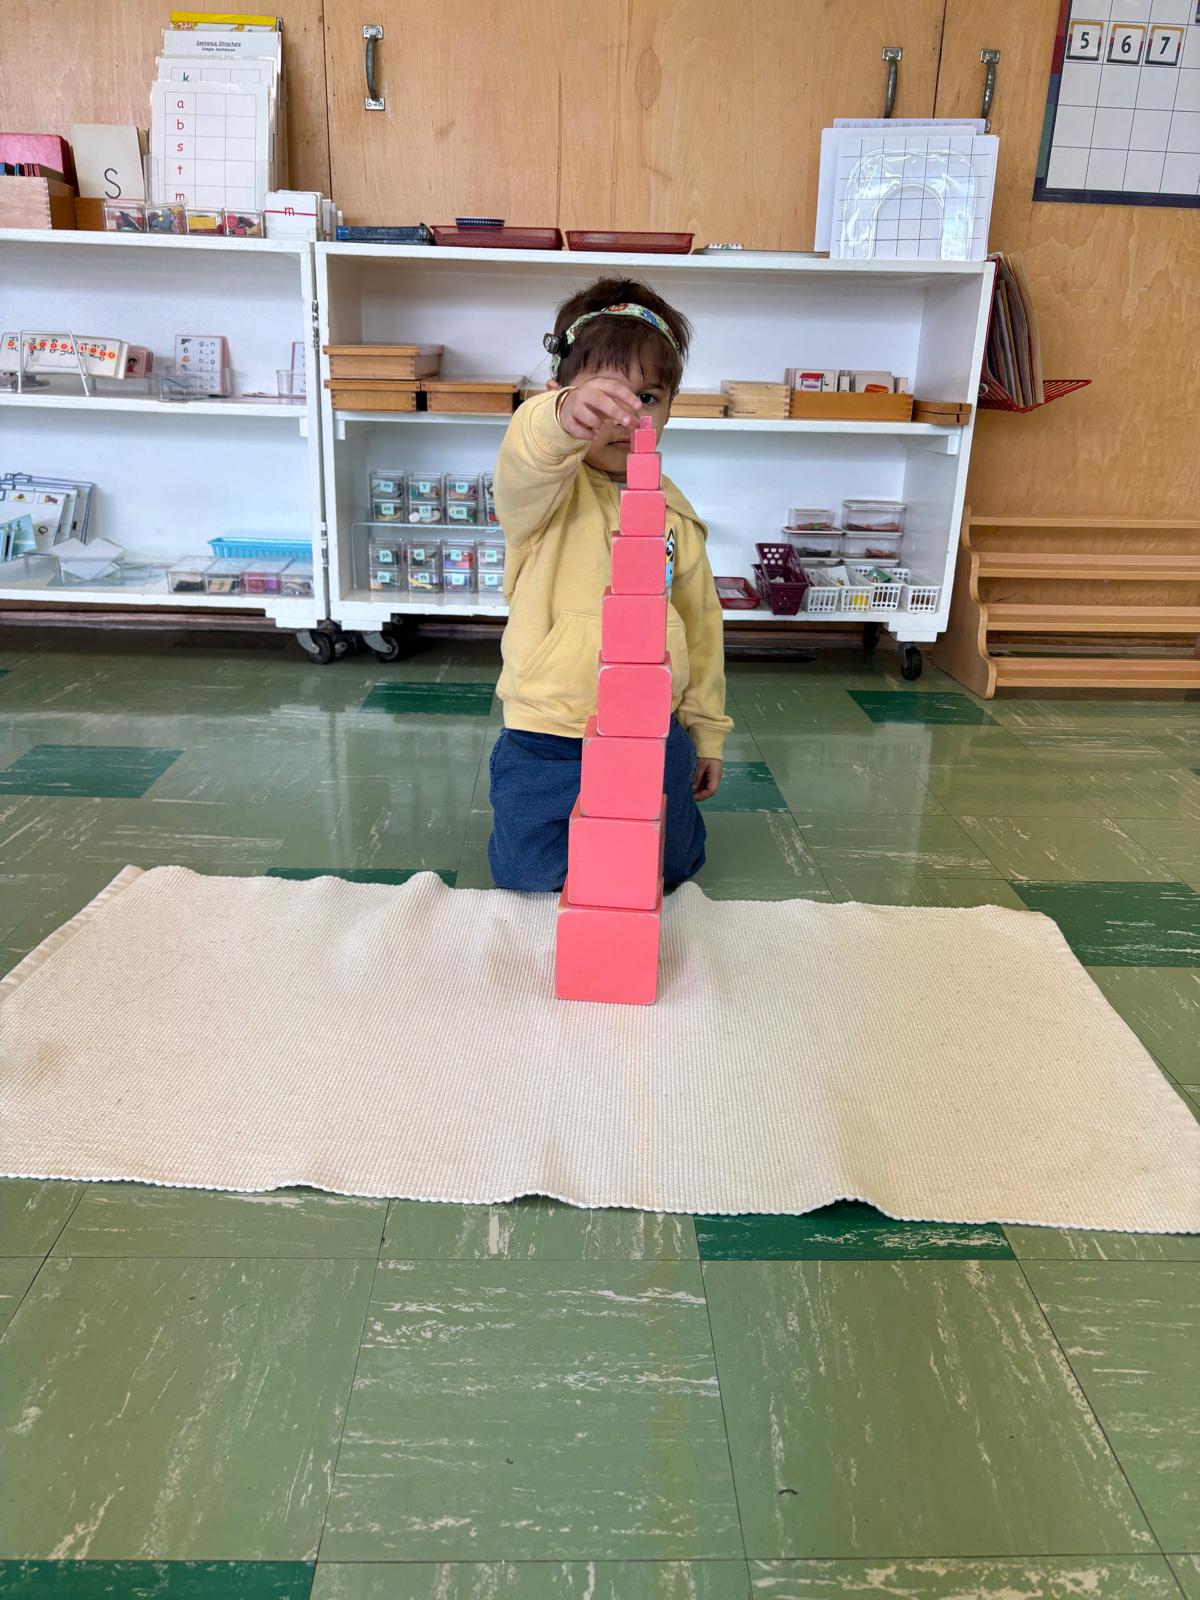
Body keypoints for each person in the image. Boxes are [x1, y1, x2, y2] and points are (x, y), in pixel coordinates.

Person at [487, 276, 732, 892]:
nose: (627, 415)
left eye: (648, 395)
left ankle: (665, 833)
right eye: (604, 396)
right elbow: (527, 455)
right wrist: (561, 420)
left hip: (653, 727)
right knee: (527, 874)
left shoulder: (676, 513)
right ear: (559, 394)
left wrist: (705, 732)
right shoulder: (544, 494)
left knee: (670, 869)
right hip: (549, 728)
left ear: (672, 404)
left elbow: (701, 628)